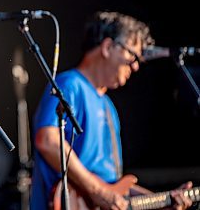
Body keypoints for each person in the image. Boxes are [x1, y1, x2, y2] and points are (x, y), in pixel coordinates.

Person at [30, 11, 194, 210]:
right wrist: (98, 191)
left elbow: (112, 187)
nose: (135, 66)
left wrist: (163, 202)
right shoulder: (69, 84)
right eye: (132, 55)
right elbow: (48, 140)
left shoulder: (108, 107)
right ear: (107, 47)